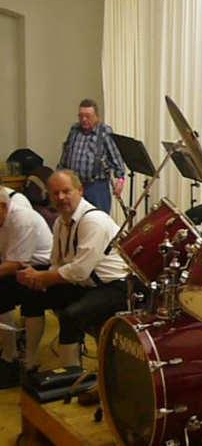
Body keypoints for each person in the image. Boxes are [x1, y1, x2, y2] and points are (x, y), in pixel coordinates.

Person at [17, 170, 128, 369]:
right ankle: (29, 361)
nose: (60, 197)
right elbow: (56, 262)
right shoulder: (60, 221)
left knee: (71, 316)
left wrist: (43, 277)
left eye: (66, 191)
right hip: (84, 283)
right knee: (32, 295)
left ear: (80, 191)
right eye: (55, 193)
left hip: (114, 287)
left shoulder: (94, 221)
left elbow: (79, 271)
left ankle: (71, 375)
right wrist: (39, 281)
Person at [0, 188, 52, 387]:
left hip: (42, 268)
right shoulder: (3, 217)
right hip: (17, 265)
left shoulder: (22, 219)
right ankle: (9, 355)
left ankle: (30, 361)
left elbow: (15, 264)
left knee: (31, 295)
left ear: (3, 207)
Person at [58, 98, 125, 213]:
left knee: (98, 218)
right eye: (81, 116)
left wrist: (120, 180)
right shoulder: (74, 130)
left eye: (88, 116)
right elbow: (65, 155)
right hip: (75, 186)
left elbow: (117, 160)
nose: (84, 119)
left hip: (96, 187)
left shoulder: (104, 132)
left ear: (97, 117)